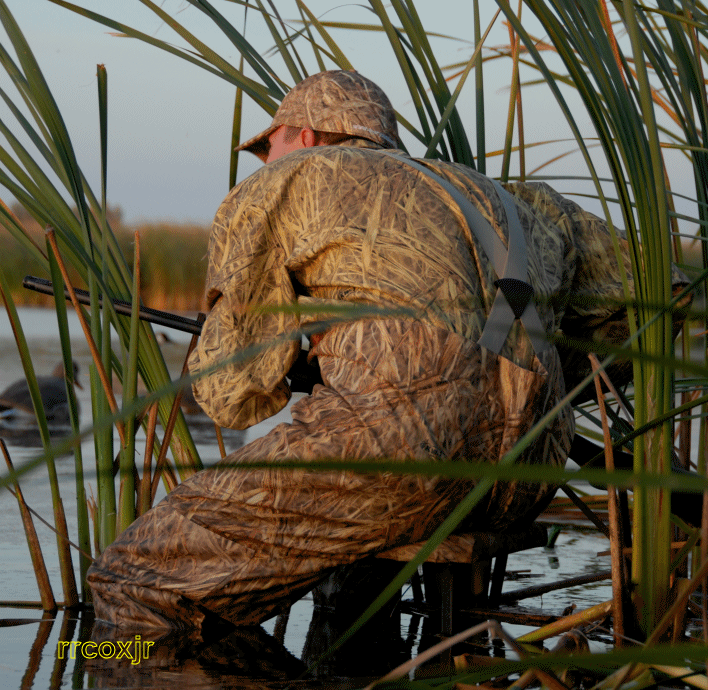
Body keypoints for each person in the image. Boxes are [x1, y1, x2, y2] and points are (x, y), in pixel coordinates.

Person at [87, 70, 689, 630]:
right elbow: (660, 295)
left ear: (303, 134)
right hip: (529, 473)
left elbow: (231, 393)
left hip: (394, 455)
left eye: (268, 145)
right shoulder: (518, 202)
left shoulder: (285, 182)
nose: (265, 161)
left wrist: (291, 361)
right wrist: (531, 381)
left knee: (128, 588)